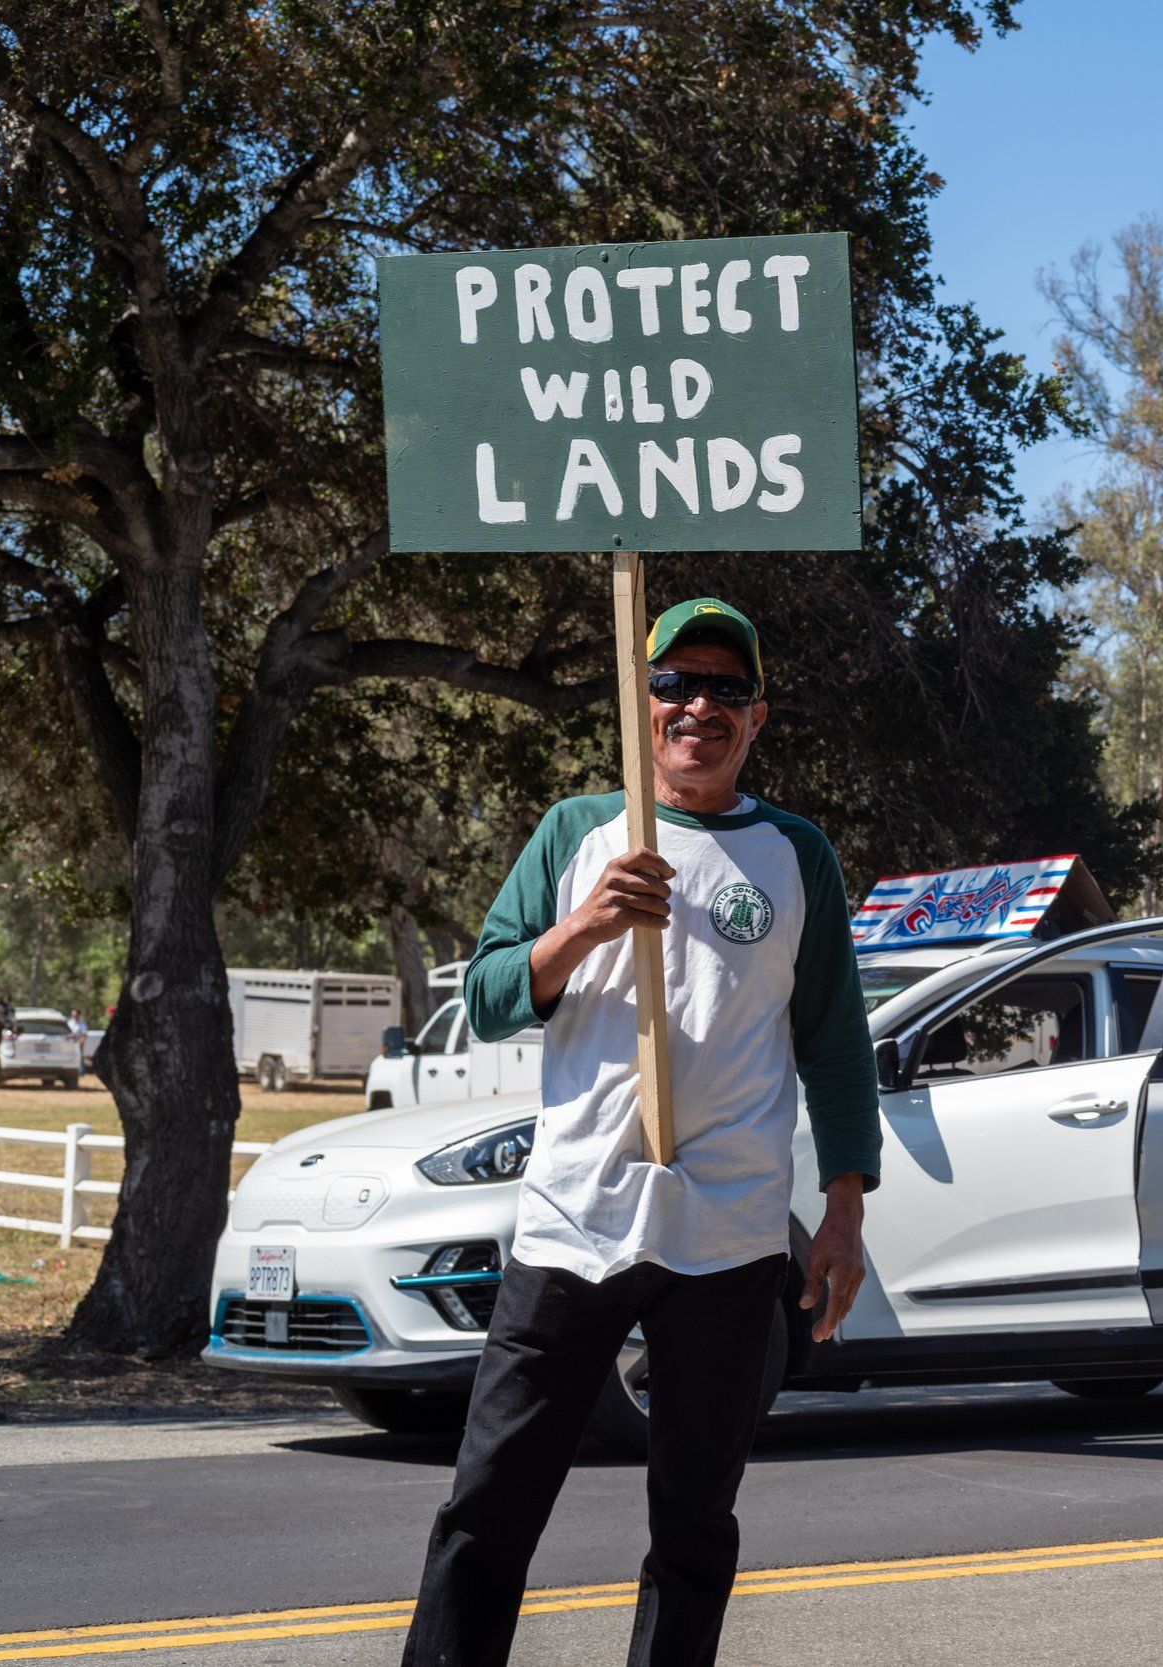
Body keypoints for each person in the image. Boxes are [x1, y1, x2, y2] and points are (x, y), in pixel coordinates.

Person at [401, 598, 881, 1667]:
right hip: (576, 1219)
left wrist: (844, 1205)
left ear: (758, 715)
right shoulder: (579, 830)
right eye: (673, 683)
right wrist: (585, 924)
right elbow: (486, 995)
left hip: (728, 1232)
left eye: (725, 687)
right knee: (490, 1503)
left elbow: (835, 1039)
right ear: (640, 701)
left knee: (695, 1526)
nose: (698, 704)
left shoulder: (795, 854)